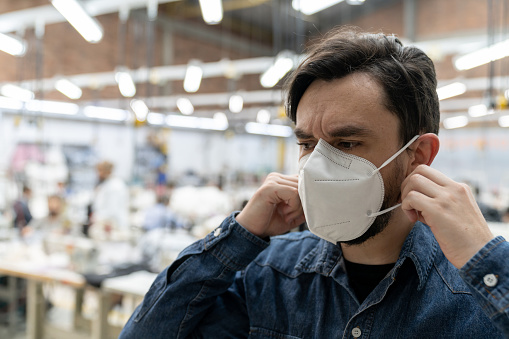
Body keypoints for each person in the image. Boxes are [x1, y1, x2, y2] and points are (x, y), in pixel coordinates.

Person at [119, 28, 508, 338]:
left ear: (418, 155)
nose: (318, 166)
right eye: (307, 143)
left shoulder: (475, 295)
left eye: (347, 143)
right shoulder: (272, 274)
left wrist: (485, 257)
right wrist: (238, 236)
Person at [89, 161, 129, 239]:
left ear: (107, 171)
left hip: (113, 226)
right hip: (106, 224)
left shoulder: (115, 187)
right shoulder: (106, 184)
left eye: (100, 171)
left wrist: (99, 219)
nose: (98, 174)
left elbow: (112, 210)